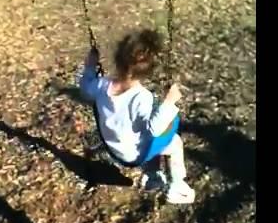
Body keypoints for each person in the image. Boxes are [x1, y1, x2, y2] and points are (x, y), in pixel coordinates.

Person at [79, 29, 195, 204]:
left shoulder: (101, 84)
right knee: (174, 142)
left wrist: (90, 66)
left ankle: (152, 176)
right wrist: (169, 101)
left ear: (118, 59)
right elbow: (155, 129)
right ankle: (177, 187)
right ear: (148, 70)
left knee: (143, 135)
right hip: (135, 154)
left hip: (114, 148)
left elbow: (85, 89)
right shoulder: (141, 98)